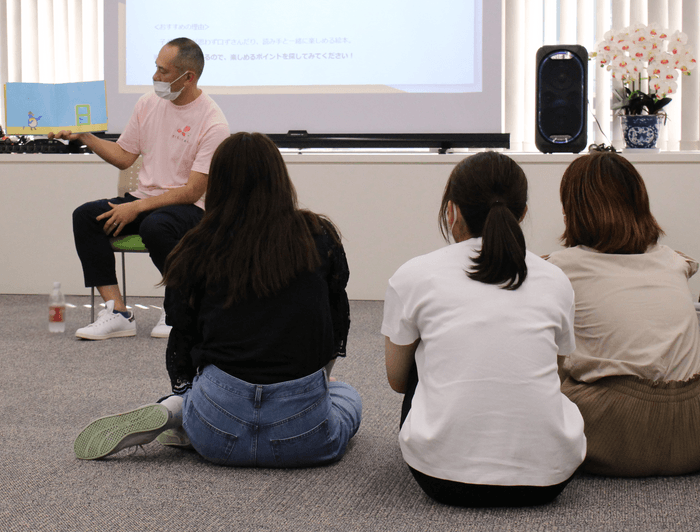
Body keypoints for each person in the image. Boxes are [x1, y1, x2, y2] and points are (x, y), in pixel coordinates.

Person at [73, 132, 362, 467]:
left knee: (201, 389)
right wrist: (321, 379)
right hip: (304, 439)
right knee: (347, 395)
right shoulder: (318, 235)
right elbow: (335, 317)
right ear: (281, 179)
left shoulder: (195, 245)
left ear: (218, 183)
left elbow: (184, 337)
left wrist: (188, 385)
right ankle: (186, 409)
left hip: (215, 437)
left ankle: (179, 407)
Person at [381, 151, 585, 507]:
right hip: (548, 478)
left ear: (452, 211)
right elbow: (558, 370)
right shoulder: (555, 279)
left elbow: (399, 381)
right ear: (521, 213)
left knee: (423, 355)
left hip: (440, 478)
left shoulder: (414, 275)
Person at [49, 38, 230, 340]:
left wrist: (136, 207)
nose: (155, 77)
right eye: (155, 68)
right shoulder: (148, 103)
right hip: (145, 200)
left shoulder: (213, 122)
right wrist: (85, 137)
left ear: (189, 78)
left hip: (189, 208)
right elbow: (124, 157)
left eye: (163, 71)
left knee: (156, 226)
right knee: (86, 216)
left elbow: (192, 191)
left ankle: (180, 308)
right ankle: (117, 311)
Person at [546, 151, 700, 477]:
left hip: (616, 430)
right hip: (693, 427)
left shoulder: (562, 267)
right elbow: (689, 262)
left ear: (572, 210)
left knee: (543, 364)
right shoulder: (673, 261)